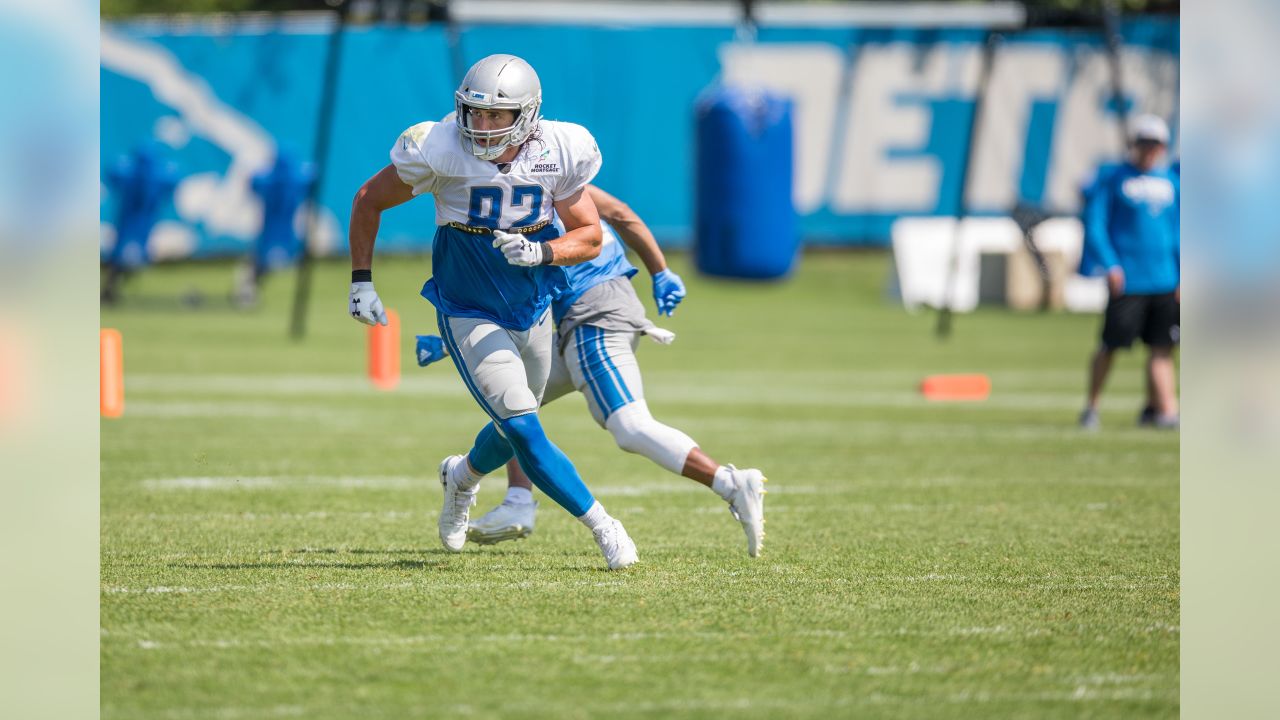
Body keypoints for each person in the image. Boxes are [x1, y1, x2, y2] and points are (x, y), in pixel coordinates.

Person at [347, 54, 638, 569]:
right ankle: (604, 526)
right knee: (524, 425)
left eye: (495, 116)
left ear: (527, 115)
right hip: (467, 305)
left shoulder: (561, 148)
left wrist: (542, 252)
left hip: (532, 302)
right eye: (473, 113)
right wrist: (362, 280)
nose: (480, 126)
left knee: (510, 427)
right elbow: (369, 199)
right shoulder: (438, 147)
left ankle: (461, 478)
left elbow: (591, 236)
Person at [416, 184, 768, 557]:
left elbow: (540, 274)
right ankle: (507, 494)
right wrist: (659, 270)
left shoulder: (539, 179)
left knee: (630, 426)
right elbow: (621, 213)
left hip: (593, 314)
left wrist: (661, 271)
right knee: (516, 412)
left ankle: (729, 483)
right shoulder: (542, 181)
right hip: (579, 317)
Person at [1078, 114, 1180, 431]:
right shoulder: (1114, 178)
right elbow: (1095, 224)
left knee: (1161, 348)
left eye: (1156, 144)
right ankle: (1091, 406)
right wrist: (1109, 264)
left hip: (1165, 278)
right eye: (1144, 143)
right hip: (1129, 279)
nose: (1150, 150)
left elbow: (1179, 231)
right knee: (1111, 345)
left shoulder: (1172, 182)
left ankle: (1163, 411)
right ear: (1133, 144)